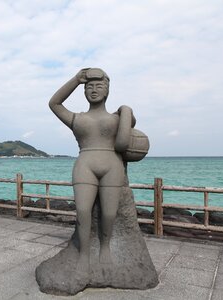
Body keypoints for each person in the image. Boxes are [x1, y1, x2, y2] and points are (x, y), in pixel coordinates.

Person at [49, 68, 135, 274]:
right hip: (85, 164)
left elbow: (125, 137)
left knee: (109, 212)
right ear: (84, 90)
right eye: (89, 87)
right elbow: (54, 103)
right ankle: (84, 252)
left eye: (99, 86)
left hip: (111, 166)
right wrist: (76, 80)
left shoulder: (117, 117)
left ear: (107, 90)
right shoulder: (77, 119)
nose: (94, 90)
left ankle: (105, 248)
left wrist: (126, 110)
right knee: (83, 210)